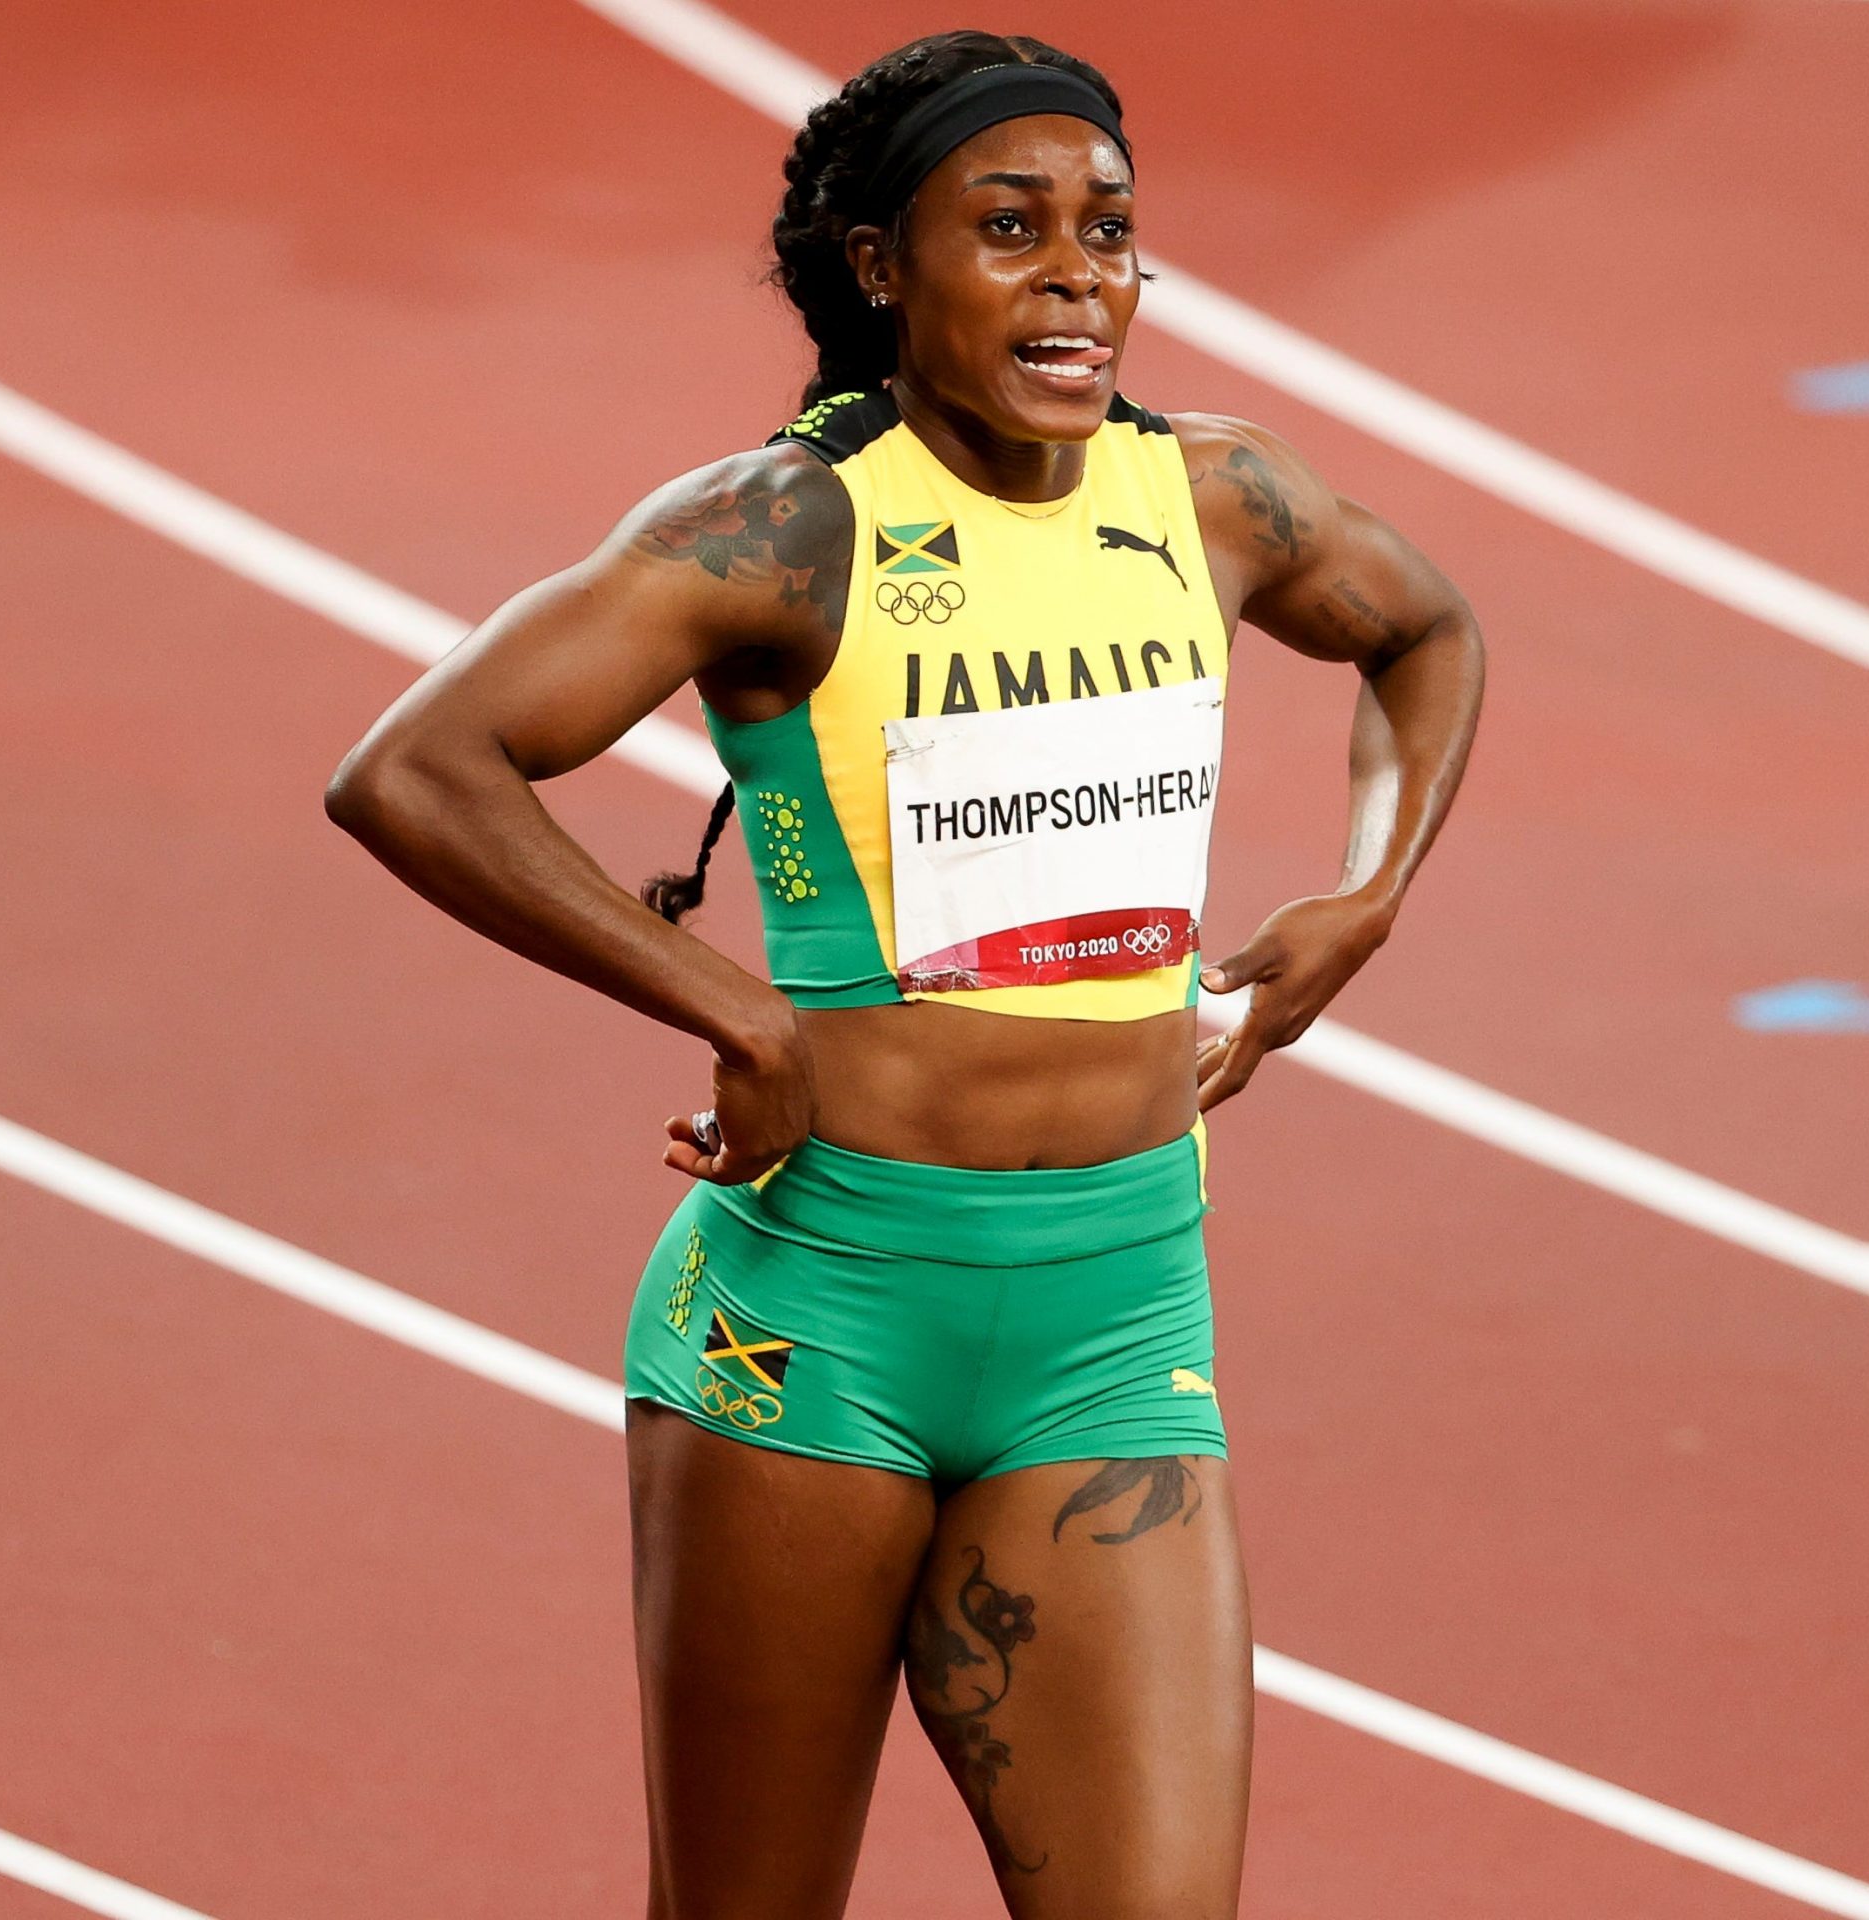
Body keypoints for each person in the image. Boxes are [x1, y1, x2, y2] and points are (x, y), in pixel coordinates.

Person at [324, 28, 1482, 1919]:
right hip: (817, 1322)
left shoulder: (1214, 498)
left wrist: (1366, 895)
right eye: (1007, 227)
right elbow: (417, 768)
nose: (1075, 277)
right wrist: (732, 1009)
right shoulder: (785, 529)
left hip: (1117, 1318)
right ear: (879, 265)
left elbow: (1425, 630)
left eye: (1108, 233)